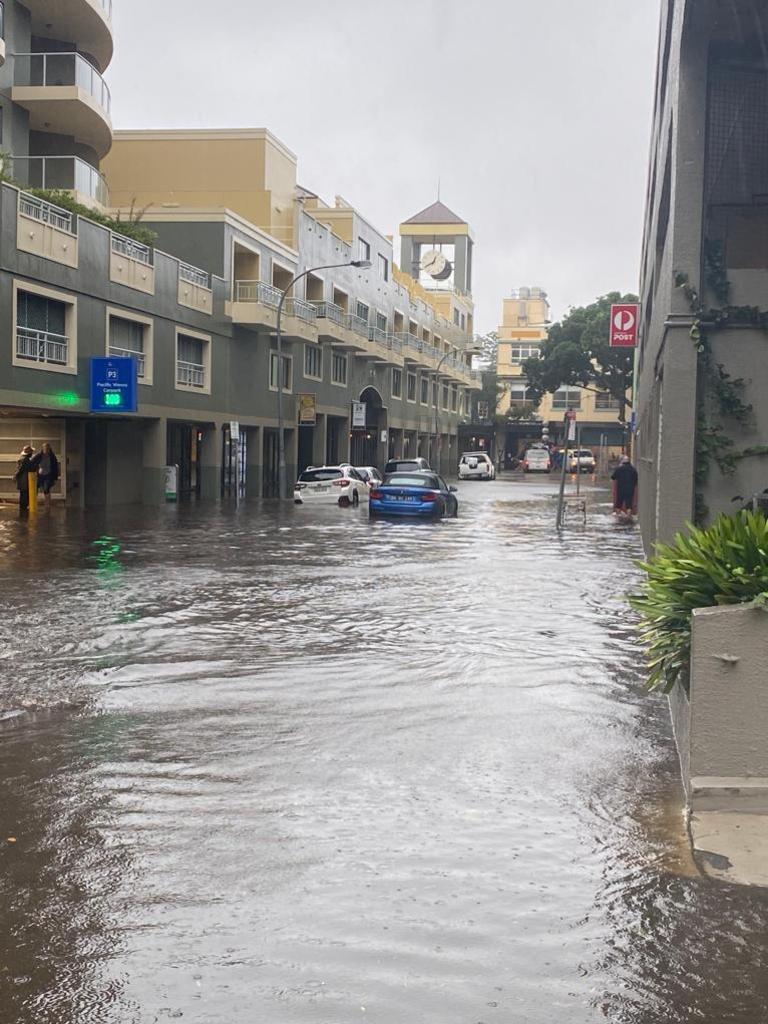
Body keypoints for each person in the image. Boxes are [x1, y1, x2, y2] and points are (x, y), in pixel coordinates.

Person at [14, 446, 41, 512]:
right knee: (24, 496)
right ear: (29, 453)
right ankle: (23, 510)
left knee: (23, 495)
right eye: (31, 452)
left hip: (23, 481)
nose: (32, 453)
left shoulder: (23, 459)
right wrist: (15, 476)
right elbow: (21, 470)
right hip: (25, 481)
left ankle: (23, 509)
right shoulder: (25, 460)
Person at [37, 442, 60, 508]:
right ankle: (32, 502)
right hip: (40, 474)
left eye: (47, 448)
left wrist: (55, 478)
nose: (46, 450)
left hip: (48, 475)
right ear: (42, 448)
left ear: (49, 449)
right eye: (44, 448)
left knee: (46, 489)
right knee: (35, 488)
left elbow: (55, 467)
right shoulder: (39, 455)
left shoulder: (52, 457)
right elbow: (33, 462)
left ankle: (47, 504)